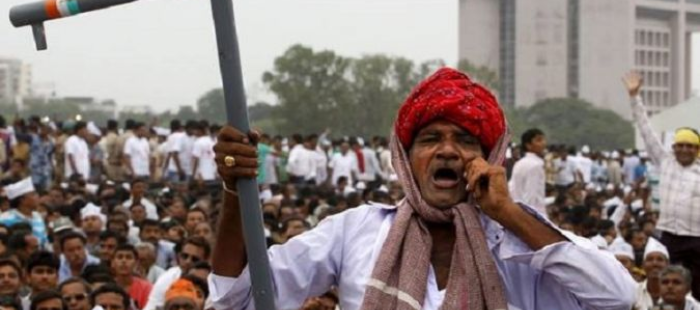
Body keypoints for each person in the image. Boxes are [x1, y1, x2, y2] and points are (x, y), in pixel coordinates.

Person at [209, 67, 636, 309]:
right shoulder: (356, 232)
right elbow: (237, 297)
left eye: (466, 141)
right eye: (431, 140)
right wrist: (234, 192)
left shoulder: (521, 245)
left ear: (492, 157)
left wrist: (508, 213)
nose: (448, 152)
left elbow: (618, 298)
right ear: (405, 158)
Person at [624, 71, 700, 300]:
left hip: (697, 239)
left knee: (696, 291)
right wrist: (635, 97)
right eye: (681, 145)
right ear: (674, 147)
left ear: (697, 150)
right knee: (667, 288)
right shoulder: (665, 161)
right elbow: (646, 131)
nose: (684, 150)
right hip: (669, 236)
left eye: (690, 146)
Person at [143, 237, 210, 310]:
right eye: (185, 256)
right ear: (178, 256)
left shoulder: (213, 282)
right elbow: (151, 307)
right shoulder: (167, 278)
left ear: (205, 261)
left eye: (195, 259)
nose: (188, 261)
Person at [508, 128, 547, 214]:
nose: (544, 143)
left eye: (543, 140)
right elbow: (531, 197)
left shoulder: (519, 163)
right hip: (532, 215)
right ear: (528, 145)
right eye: (539, 140)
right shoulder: (535, 165)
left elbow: (512, 189)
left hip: (518, 211)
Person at [0, 179, 48, 246]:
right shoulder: (5, 219)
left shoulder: (38, 216)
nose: (37, 197)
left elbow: (44, 242)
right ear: (22, 200)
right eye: (33, 194)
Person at [110, 244, 152, 309]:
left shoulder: (146, 288)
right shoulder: (106, 286)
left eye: (128, 257)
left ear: (136, 263)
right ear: (112, 262)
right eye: (119, 257)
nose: (124, 261)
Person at [635, 237, 671, 310]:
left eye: (660, 259)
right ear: (643, 265)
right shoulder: (633, 292)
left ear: (668, 265)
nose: (655, 263)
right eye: (650, 259)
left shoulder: (679, 294)